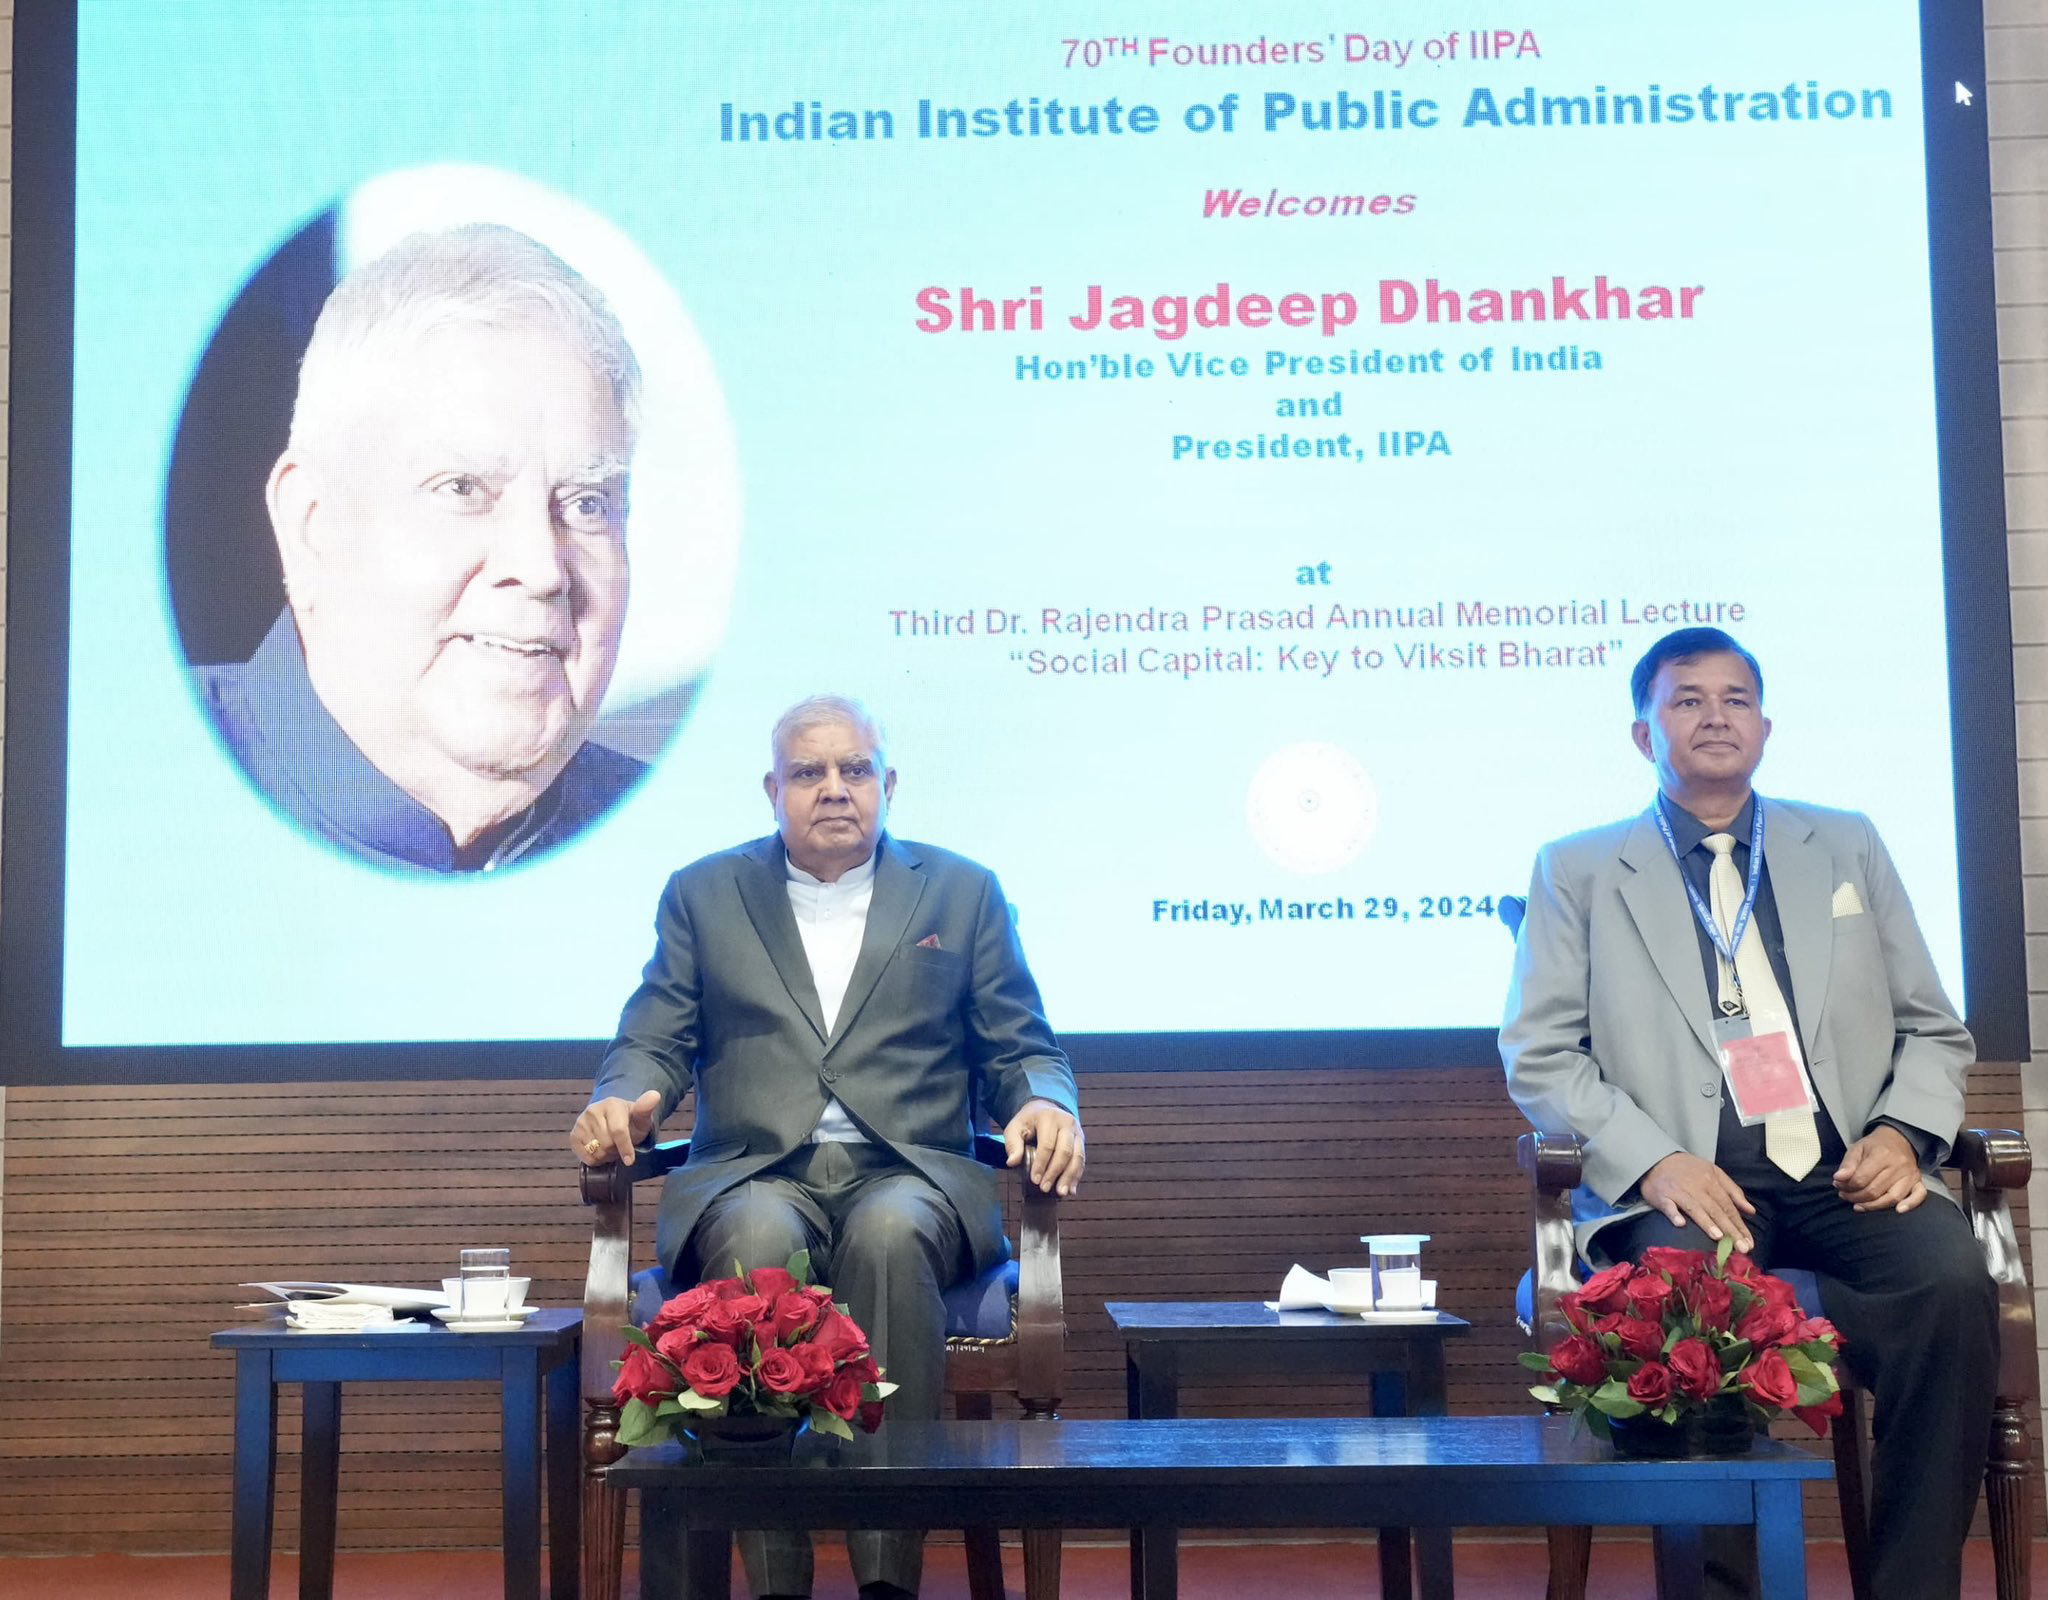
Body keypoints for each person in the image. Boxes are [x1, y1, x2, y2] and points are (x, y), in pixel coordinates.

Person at [1500, 626, 1995, 1600]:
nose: (1715, 716)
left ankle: (1912, 1586)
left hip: (1844, 1171)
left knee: (1949, 1278)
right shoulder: (1579, 867)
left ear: (1765, 726)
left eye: (1735, 699)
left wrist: (1901, 1135)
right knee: (1683, 1303)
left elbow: (1932, 1027)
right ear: (1643, 735)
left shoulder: (1844, 842)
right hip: (1690, 1181)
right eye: (1686, 700)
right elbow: (1540, 1051)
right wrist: (1653, 1159)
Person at [572, 694, 1084, 1600]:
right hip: (757, 1172)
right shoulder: (704, 893)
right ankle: (778, 1579)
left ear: (889, 784)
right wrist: (621, 1100)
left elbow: (1019, 1046)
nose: (835, 789)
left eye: (855, 770)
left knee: (889, 1233)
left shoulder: (961, 891)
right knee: (756, 1238)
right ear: (773, 791)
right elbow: (653, 1037)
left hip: (912, 1173)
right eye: (809, 772)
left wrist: (1045, 1102)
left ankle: (887, 1579)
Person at [197, 222, 645, 872]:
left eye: (586, 504)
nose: (542, 568)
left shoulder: (689, 848)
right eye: (463, 488)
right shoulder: (131, 788)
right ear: (312, 526)